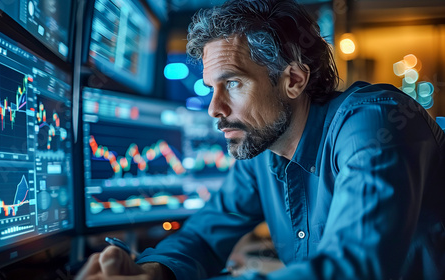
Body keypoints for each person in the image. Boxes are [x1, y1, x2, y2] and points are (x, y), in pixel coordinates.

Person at [76, 0, 445, 279]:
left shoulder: (374, 123)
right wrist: (152, 273)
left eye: (233, 83)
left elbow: (355, 267)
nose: (214, 109)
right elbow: (203, 238)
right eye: (211, 88)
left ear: (294, 80)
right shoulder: (264, 151)